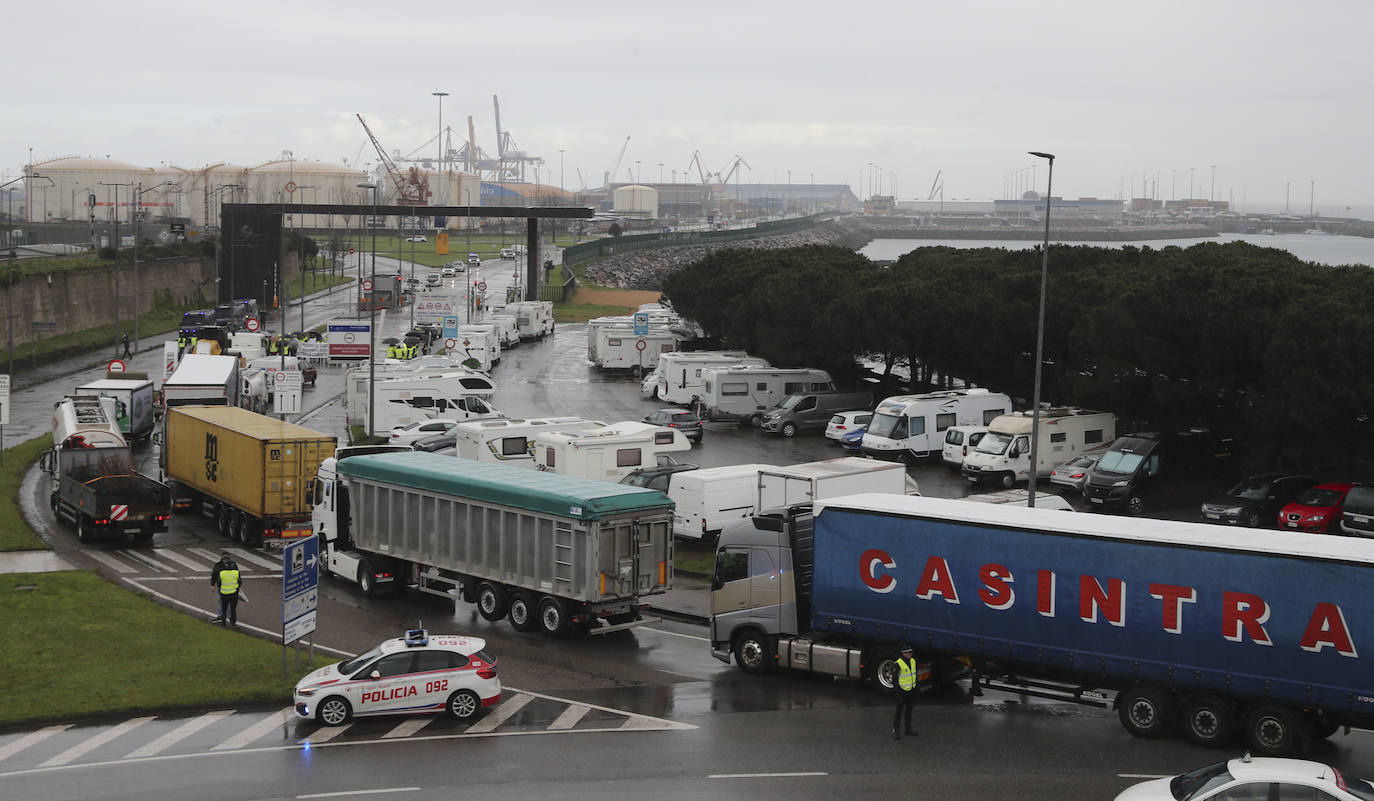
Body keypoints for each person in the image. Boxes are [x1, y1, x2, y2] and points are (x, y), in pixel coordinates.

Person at [892, 645, 919, 739]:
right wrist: (898, 694)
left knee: (909, 711)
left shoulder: (913, 661)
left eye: (911, 652)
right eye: (908, 652)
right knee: (899, 712)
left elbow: (915, 675)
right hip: (902, 691)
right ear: (903, 654)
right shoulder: (898, 664)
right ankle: (896, 731)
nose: (910, 654)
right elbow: (895, 681)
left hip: (911, 691)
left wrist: (916, 689)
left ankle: (908, 729)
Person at [210, 553, 241, 628]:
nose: (225, 560)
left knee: (229, 607)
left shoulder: (233, 565)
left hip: (229, 589)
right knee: (223, 604)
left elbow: (238, 578)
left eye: (227, 559)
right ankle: (222, 617)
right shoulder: (218, 565)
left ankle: (229, 619)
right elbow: (214, 575)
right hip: (225, 589)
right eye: (224, 558)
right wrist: (213, 585)